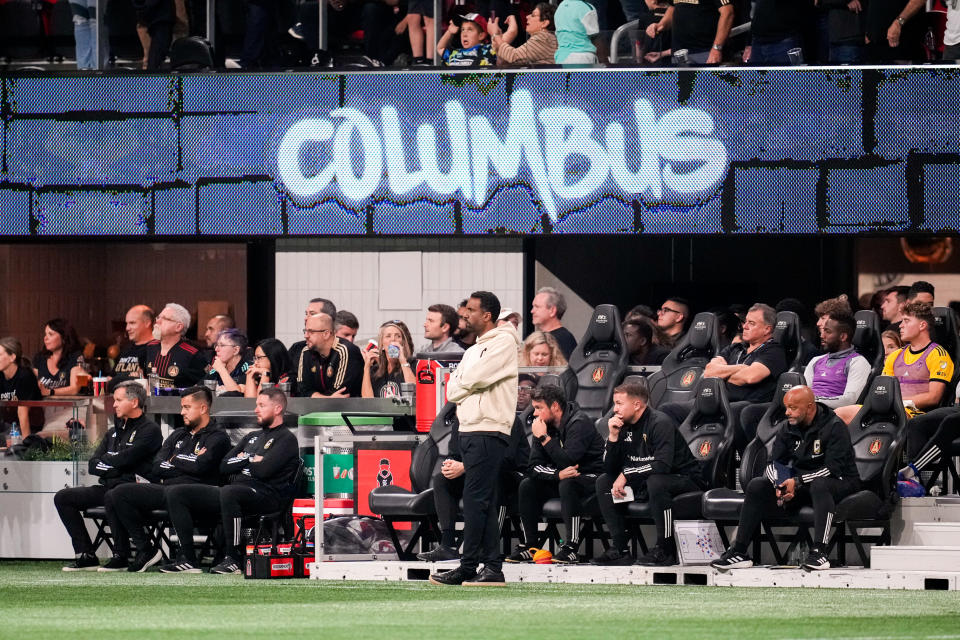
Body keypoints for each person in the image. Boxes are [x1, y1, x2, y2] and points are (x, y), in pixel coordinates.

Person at [711, 386, 861, 572]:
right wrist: (780, 485)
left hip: (839, 482)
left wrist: (796, 482)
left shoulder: (834, 426)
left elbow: (831, 469)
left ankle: (819, 552)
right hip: (801, 483)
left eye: (793, 408)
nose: (787, 412)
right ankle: (739, 551)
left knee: (819, 485)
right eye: (786, 407)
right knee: (757, 485)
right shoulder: (787, 427)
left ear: (810, 407)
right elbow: (774, 463)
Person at [429, 291, 521, 587]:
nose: (465, 314)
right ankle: (492, 568)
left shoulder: (504, 342)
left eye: (471, 310)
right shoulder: (472, 350)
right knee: (484, 501)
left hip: (488, 429)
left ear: (488, 315)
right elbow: (452, 388)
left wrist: (461, 384)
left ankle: (469, 566)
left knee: (475, 500)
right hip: (470, 429)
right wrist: (461, 384)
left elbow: (463, 383)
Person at [163, 387, 300, 574]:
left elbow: (263, 471)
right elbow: (224, 465)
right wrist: (251, 458)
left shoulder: (287, 438)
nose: (256, 409)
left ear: (277, 409)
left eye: (261, 405)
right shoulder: (252, 437)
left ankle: (233, 557)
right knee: (178, 492)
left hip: (267, 496)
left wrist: (246, 460)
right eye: (256, 405)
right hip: (238, 492)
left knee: (229, 491)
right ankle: (187, 558)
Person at [106, 386, 230, 572]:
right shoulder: (178, 434)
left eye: (187, 407)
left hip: (200, 494)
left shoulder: (218, 437)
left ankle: (188, 559)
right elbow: (157, 466)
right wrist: (185, 464)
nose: (182, 412)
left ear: (203, 408)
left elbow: (201, 467)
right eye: (182, 407)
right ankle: (145, 550)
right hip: (168, 490)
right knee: (118, 493)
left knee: (176, 492)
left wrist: (175, 460)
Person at [593, 381, 702, 566]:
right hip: (645, 479)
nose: (615, 409)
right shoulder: (621, 424)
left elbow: (662, 465)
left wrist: (627, 474)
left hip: (684, 479)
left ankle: (665, 549)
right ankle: (620, 549)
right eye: (614, 403)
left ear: (637, 405)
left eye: (619, 403)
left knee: (657, 482)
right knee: (604, 482)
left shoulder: (660, 422)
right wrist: (612, 437)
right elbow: (610, 469)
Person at [54, 382, 162, 571]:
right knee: (63, 497)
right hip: (109, 486)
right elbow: (93, 464)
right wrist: (113, 465)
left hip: (135, 490)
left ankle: (122, 555)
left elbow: (126, 459)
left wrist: (111, 463)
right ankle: (86, 554)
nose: (114, 404)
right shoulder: (113, 432)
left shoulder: (150, 430)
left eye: (119, 400)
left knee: (115, 493)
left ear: (134, 402)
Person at [660, 303, 787, 449]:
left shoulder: (774, 351)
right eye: (745, 322)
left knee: (734, 411)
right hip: (717, 401)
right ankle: (683, 458)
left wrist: (724, 373)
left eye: (751, 323)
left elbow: (750, 377)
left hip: (747, 402)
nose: (744, 326)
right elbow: (709, 371)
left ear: (767, 329)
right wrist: (740, 368)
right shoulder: (735, 347)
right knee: (668, 410)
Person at [417, 402, 530, 562]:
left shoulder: (505, 418)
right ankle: (447, 545)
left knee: (494, 479)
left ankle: (488, 547)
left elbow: (504, 458)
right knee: (442, 480)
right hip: (474, 471)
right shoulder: (462, 418)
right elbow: (455, 452)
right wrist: (449, 464)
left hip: (510, 474)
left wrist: (465, 467)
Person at [508, 384, 603, 564]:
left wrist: (544, 438)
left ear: (555, 407)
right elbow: (533, 467)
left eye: (538, 408)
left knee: (569, 483)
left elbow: (568, 461)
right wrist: (557, 474)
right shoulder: (543, 426)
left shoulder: (579, 423)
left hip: (591, 477)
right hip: (562, 477)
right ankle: (531, 545)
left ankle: (571, 547)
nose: (535, 413)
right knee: (528, 484)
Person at [836, 302, 953, 424]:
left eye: (906, 321)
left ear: (922, 325)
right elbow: (883, 390)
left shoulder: (938, 354)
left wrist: (897, 401)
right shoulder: (895, 355)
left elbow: (933, 397)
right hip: (888, 407)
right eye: (901, 321)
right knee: (838, 414)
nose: (901, 326)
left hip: (915, 413)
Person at [292, 311, 364, 398]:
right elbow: (302, 390)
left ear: (326, 334)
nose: (306, 336)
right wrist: (327, 399)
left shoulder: (346, 350)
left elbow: (340, 395)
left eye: (311, 332)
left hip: (347, 409)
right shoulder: (306, 351)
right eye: (305, 331)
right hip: (315, 409)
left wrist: (316, 396)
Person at [142, 303, 206, 388]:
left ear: (178, 327)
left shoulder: (192, 353)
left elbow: (208, 380)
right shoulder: (150, 347)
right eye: (158, 317)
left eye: (165, 318)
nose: (158, 321)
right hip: (153, 400)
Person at [656, 0, 734, 65]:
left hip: (706, 52)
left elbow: (728, 12)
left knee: (707, 83)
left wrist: (717, 48)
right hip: (679, 53)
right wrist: (661, 24)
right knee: (683, 83)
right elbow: (673, 7)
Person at [362, 320, 417, 398]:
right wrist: (366, 367)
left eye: (398, 336)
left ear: (402, 343)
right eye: (388, 336)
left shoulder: (412, 364)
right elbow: (367, 400)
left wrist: (402, 360)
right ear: (382, 344)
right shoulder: (376, 370)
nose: (393, 339)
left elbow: (415, 393)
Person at [33, 318, 86, 398]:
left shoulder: (76, 356)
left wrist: (50, 392)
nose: (45, 338)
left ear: (64, 337)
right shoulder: (39, 358)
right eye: (45, 334)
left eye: (50, 334)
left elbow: (75, 389)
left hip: (70, 407)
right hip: (44, 407)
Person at [489, 5, 558, 65]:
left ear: (544, 23)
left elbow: (513, 57)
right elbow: (504, 63)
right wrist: (506, 35)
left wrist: (495, 34)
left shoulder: (543, 38)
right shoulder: (544, 38)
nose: (527, 16)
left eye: (533, 15)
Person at [0, 337, 42, 436]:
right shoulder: (1, 375)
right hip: (8, 425)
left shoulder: (25, 376)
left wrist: (25, 445)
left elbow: (23, 412)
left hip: (29, 427)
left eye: (0, 354)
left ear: (12, 357)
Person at [747, 0, 812, 64]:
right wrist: (749, 43)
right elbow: (755, 9)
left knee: (788, 74)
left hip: (785, 40)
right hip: (757, 42)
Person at [530, 287, 577, 360]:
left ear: (552, 311)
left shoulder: (563, 340)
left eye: (537, 307)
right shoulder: (547, 337)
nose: (532, 311)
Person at [203, 329, 252, 395]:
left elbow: (236, 395)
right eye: (216, 345)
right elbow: (199, 389)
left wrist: (222, 370)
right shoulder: (216, 369)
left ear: (235, 350)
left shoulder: (248, 368)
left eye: (222, 345)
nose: (216, 349)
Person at [113, 305, 155, 380]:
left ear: (147, 323)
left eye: (132, 323)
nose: (127, 328)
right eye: (127, 323)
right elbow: (112, 376)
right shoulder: (125, 350)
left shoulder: (156, 349)